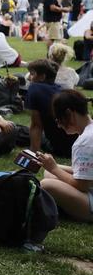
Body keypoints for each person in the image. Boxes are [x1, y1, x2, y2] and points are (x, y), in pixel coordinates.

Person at [36, 90, 93, 222]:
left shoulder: (84, 143)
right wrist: (52, 167)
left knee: (46, 184)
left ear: (69, 114)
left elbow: (82, 186)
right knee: (49, 174)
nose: (58, 124)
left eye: (58, 119)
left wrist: (54, 168)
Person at [25, 58, 75, 157]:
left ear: (42, 77)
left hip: (62, 149)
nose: (28, 78)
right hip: (76, 144)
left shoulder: (34, 88)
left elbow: (36, 126)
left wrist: (33, 153)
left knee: (20, 131)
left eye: (32, 74)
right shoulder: (60, 89)